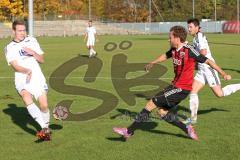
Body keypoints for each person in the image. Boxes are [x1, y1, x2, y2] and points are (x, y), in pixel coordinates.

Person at [113, 25, 231, 141]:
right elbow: (166, 55)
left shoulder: (189, 50)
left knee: (151, 103)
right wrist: (153, 62)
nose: (168, 39)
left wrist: (223, 74)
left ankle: (129, 131)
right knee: (162, 112)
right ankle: (186, 128)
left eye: (170, 37)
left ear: (177, 38)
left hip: (182, 88)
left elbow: (208, 61)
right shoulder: (174, 49)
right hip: (175, 86)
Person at [185, 18, 240, 124]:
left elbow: (203, 52)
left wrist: (191, 51)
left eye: (191, 27)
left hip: (209, 69)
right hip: (202, 70)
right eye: (188, 26)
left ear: (197, 27)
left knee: (219, 94)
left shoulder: (200, 36)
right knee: (193, 92)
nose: (189, 29)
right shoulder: (196, 37)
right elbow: (199, 53)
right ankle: (193, 119)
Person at [4, 20, 51, 141]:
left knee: (44, 106)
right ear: (13, 31)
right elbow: (15, 66)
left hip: (37, 77)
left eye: (24, 30)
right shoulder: (9, 47)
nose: (22, 33)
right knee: (26, 96)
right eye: (19, 31)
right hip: (21, 77)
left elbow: (41, 60)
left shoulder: (32, 40)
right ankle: (44, 128)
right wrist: (27, 71)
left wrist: (33, 52)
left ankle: (46, 127)